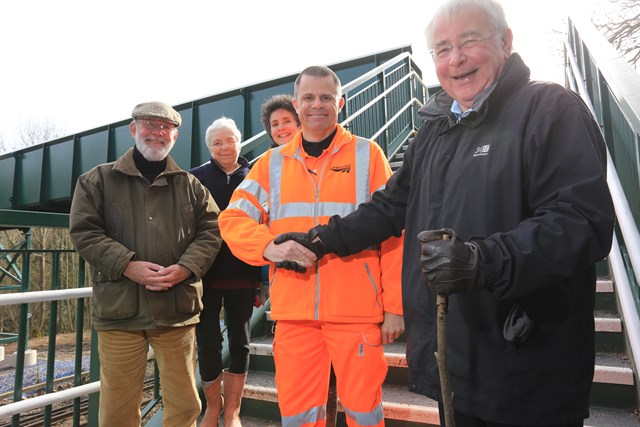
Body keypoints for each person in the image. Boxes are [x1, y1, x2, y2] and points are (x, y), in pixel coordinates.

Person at [275, 1, 616, 426]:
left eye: (469, 41)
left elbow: (582, 221)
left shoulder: (549, 109)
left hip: (528, 369)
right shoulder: (435, 130)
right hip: (455, 364)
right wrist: (321, 238)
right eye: (441, 48)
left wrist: (483, 260)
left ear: (505, 42)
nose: (456, 59)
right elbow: (388, 206)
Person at [219, 65, 405, 427]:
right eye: (308, 98)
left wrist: (395, 305)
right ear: (296, 103)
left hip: (357, 312)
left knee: (365, 413)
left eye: (325, 98)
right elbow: (231, 220)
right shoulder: (271, 164)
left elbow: (394, 231)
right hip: (295, 315)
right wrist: (268, 246)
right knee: (299, 415)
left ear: (342, 103)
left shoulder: (369, 155)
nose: (316, 105)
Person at [69, 101, 221, 427]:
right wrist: (127, 265)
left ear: (175, 135)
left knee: (183, 406)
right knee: (117, 410)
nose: (157, 132)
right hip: (120, 312)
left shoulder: (191, 186)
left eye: (165, 127)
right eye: (149, 124)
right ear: (133, 129)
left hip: (176, 310)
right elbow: (84, 232)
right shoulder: (97, 180)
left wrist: (185, 268)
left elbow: (213, 231)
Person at [189, 117, 261, 427]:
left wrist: (262, 280)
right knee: (207, 341)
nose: (224, 147)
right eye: (217, 142)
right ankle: (212, 409)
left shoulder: (255, 176)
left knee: (240, 340)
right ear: (209, 147)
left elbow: (264, 224)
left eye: (229, 140)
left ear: (239, 141)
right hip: (205, 275)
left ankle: (233, 410)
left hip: (244, 271)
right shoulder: (195, 178)